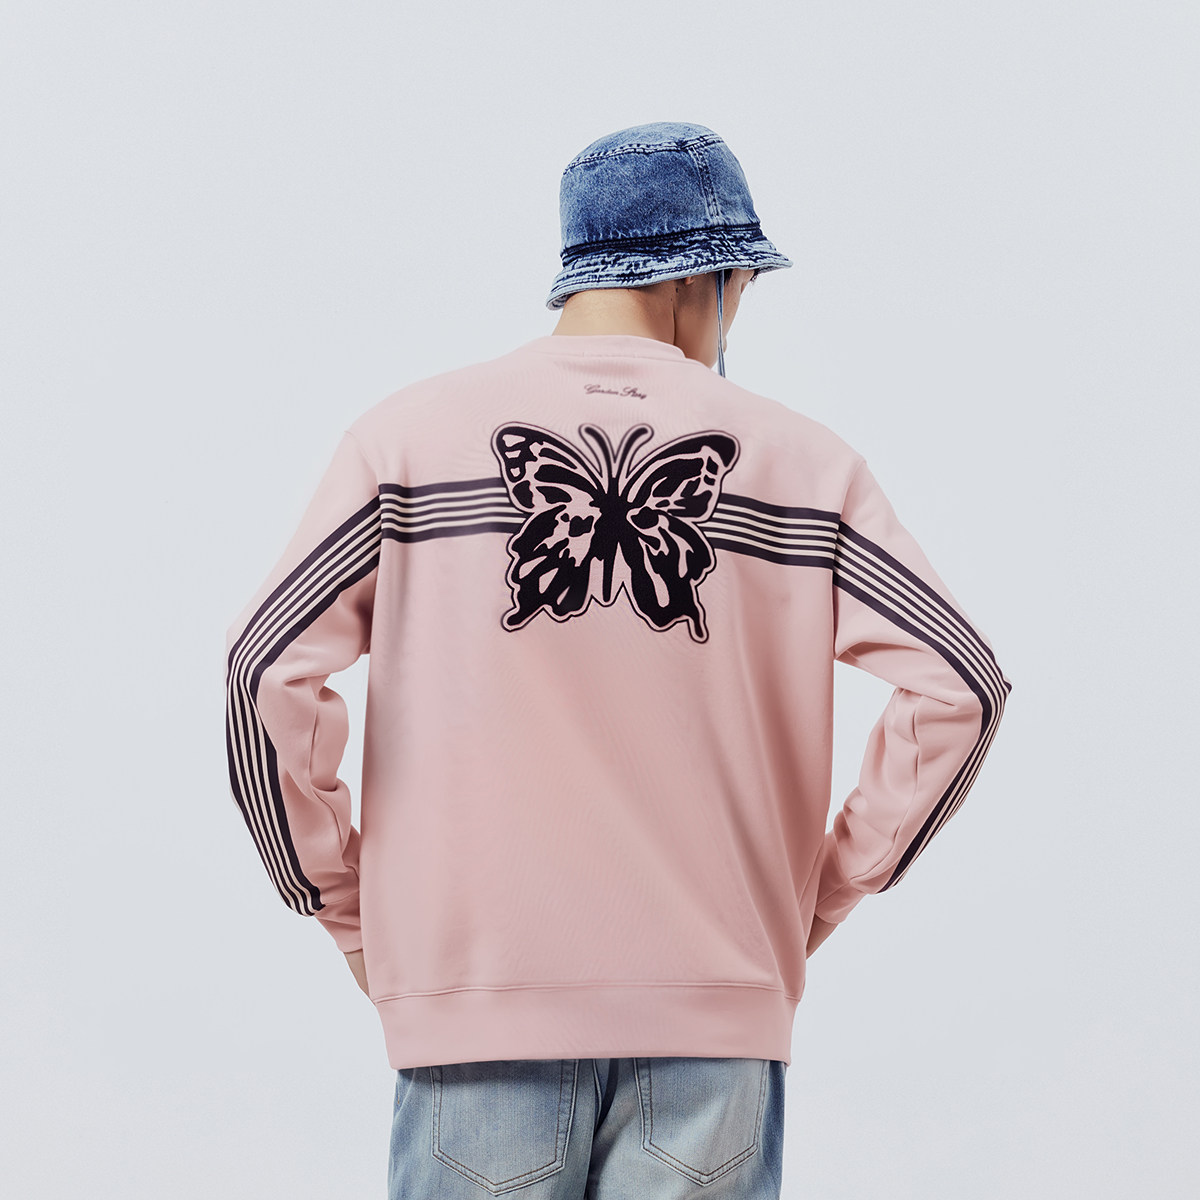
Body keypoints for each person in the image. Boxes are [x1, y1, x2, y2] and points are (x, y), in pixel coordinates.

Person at [223, 121, 1012, 1199]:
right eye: (743, 289)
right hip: (718, 1014)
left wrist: (346, 911)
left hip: (474, 1011)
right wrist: (819, 897)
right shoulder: (806, 464)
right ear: (706, 278)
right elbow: (963, 683)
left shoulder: (405, 442)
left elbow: (263, 669)